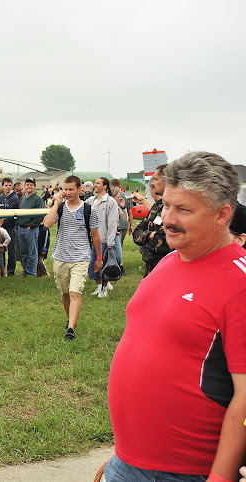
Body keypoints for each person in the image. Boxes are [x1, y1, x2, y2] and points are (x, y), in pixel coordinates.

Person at [105, 151, 246, 482]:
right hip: (129, 462)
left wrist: (221, 477)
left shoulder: (239, 282)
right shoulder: (169, 262)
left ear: (223, 214)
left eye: (183, 209)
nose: (167, 218)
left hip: (184, 473)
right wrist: (124, 456)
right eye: (167, 204)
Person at [43, 175, 101, 341]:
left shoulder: (89, 209)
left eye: (71, 189)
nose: (67, 192)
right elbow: (47, 224)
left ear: (79, 189)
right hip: (61, 257)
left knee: (75, 292)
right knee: (65, 293)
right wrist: (56, 204)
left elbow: (95, 235)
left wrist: (98, 257)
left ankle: (71, 329)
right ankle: (70, 319)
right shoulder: (60, 208)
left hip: (81, 257)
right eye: (65, 189)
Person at [132, 165, 173, 277]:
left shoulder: (176, 207)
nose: (153, 184)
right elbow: (137, 231)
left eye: (155, 179)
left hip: (168, 270)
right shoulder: (158, 206)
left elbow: (163, 241)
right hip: (151, 271)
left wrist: (146, 238)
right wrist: (150, 235)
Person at [86, 177, 120, 298]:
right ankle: (99, 287)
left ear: (105, 186)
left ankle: (104, 288)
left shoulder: (111, 202)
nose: (95, 185)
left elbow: (112, 223)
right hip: (92, 239)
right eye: (94, 182)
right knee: (92, 265)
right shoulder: (90, 201)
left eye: (97, 183)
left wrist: (110, 242)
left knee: (105, 265)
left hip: (104, 239)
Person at [16, 178, 46, 277]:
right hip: (21, 229)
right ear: (25, 186)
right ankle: (25, 271)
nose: (29, 187)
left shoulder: (38, 199)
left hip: (31, 229)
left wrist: (31, 226)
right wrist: (19, 225)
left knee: (32, 252)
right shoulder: (23, 198)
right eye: (27, 185)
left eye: (31, 185)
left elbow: (40, 215)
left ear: (34, 187)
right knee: (23, 252)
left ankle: (31, 273)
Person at [0, 177, 20, 276]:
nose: (8, 187)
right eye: (6, 185)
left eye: (10, 185)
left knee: (11, 251)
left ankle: (11, 271)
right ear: (2, 186)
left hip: (10, 227)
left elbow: (11, 214)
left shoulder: (14, 198)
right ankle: (2, 270)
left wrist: (3, 214)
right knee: (0, 250)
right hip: (1, 228)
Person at [110, 179, 132, 275]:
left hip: (117, 228)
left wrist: (122, 207)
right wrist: (131, 224)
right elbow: (130, 212)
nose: (119, 198)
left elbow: (124, 215)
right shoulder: (125, 195)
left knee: (117, 248)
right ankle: (118, 267)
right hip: (122, 225)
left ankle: (119, 267)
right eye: (117, 197)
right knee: (119, 246)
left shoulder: (117, 204)